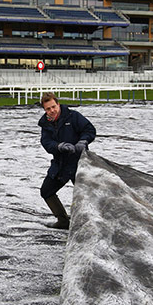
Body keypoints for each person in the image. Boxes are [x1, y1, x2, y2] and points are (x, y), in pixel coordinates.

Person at [38, 92, 96, 229]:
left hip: (79, 163)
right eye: (48, 109)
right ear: (44, 110)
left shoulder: (73, 116)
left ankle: (92, 224)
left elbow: (89, 130)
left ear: (58, 104)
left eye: (53, 107)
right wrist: (59, 146)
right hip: (61, 164)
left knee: (86, 196)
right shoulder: (45, 124)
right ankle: (63, 220)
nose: (52, 111)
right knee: (46, 191)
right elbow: (46, 142)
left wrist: (83, 141)